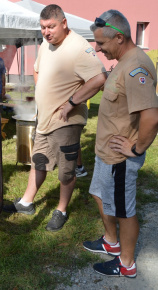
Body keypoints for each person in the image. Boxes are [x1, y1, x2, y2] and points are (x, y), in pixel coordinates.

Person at [3, 4, 107, 232]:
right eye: (42, 28)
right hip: (45, 119)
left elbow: (100, 78)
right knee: (38, 160)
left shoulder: (78, 47)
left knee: (66, 170)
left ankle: (61, 209)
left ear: (64, 23)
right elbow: (37, 69)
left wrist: (71, 102)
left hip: (66, 122)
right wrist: (43, 93)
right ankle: (26, 202)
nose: (46, 32)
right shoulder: (45, 45)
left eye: (51, 27)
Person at [82, 10, 158, 278]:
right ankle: (111, 242)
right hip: (106, 153)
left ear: (119, 37)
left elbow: (151, 117)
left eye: (101, 43)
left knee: (125, 212)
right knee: (98, 195)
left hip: (121, 159)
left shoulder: (137, 66)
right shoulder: (123, 61)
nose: (98, 48)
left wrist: (136, 149)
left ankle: (127, 264)